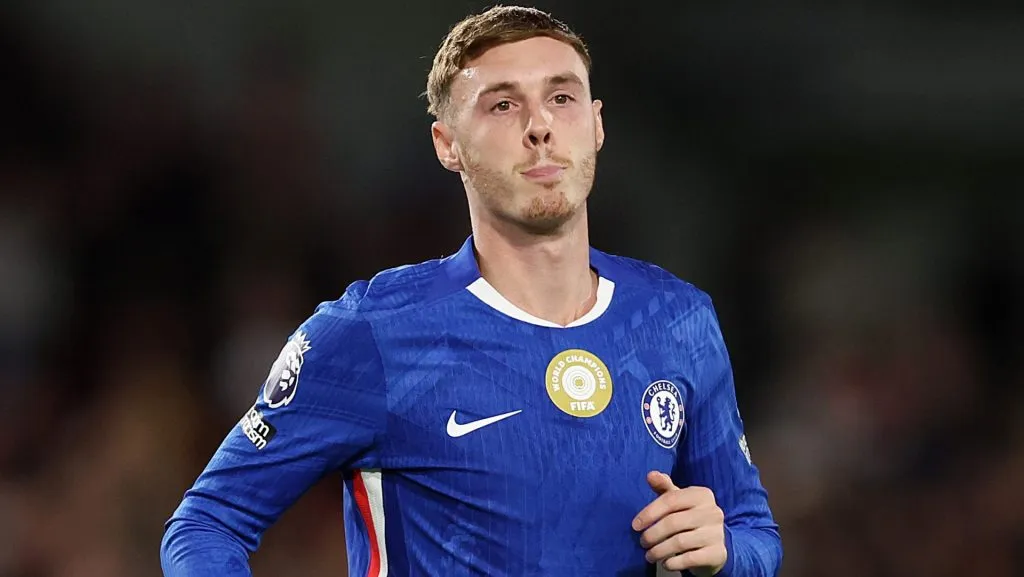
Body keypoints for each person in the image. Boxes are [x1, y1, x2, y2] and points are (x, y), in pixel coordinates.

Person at [160, 6, 782, 576]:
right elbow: (207, 524)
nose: (540, 126)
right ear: (447, 145)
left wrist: (726, 550)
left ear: (595, 126)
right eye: (503, 106)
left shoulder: (678, 319)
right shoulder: (371, 333)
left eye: (561, 97)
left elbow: (754, 534)